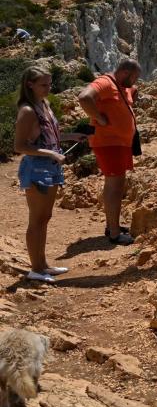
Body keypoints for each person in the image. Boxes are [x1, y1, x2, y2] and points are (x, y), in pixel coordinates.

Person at [14, 67, 88, 283]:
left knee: (45, 218)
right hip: (37, 167)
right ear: (30, 85)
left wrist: (71, 136)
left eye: (50, 84)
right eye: (43, 85)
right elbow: (19, 146)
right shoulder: (27, 110)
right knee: (36, 219)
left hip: (50, 166)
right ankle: (35, 269)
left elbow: (48, 136)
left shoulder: (43, 105)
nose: (49, 88)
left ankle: (43, 265)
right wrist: (51, 154)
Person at [77, 59, 141, 245]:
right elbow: (84, 97)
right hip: (109, 143)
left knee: (115, 185)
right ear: (125, 72)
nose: (135, 81)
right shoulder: (105, 82)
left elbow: (129, 93)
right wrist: (98, 117)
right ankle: (114, 233)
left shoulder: (122, 85)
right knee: (114, 187)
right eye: (135, 77)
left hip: (119, 143)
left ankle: (112, 224)